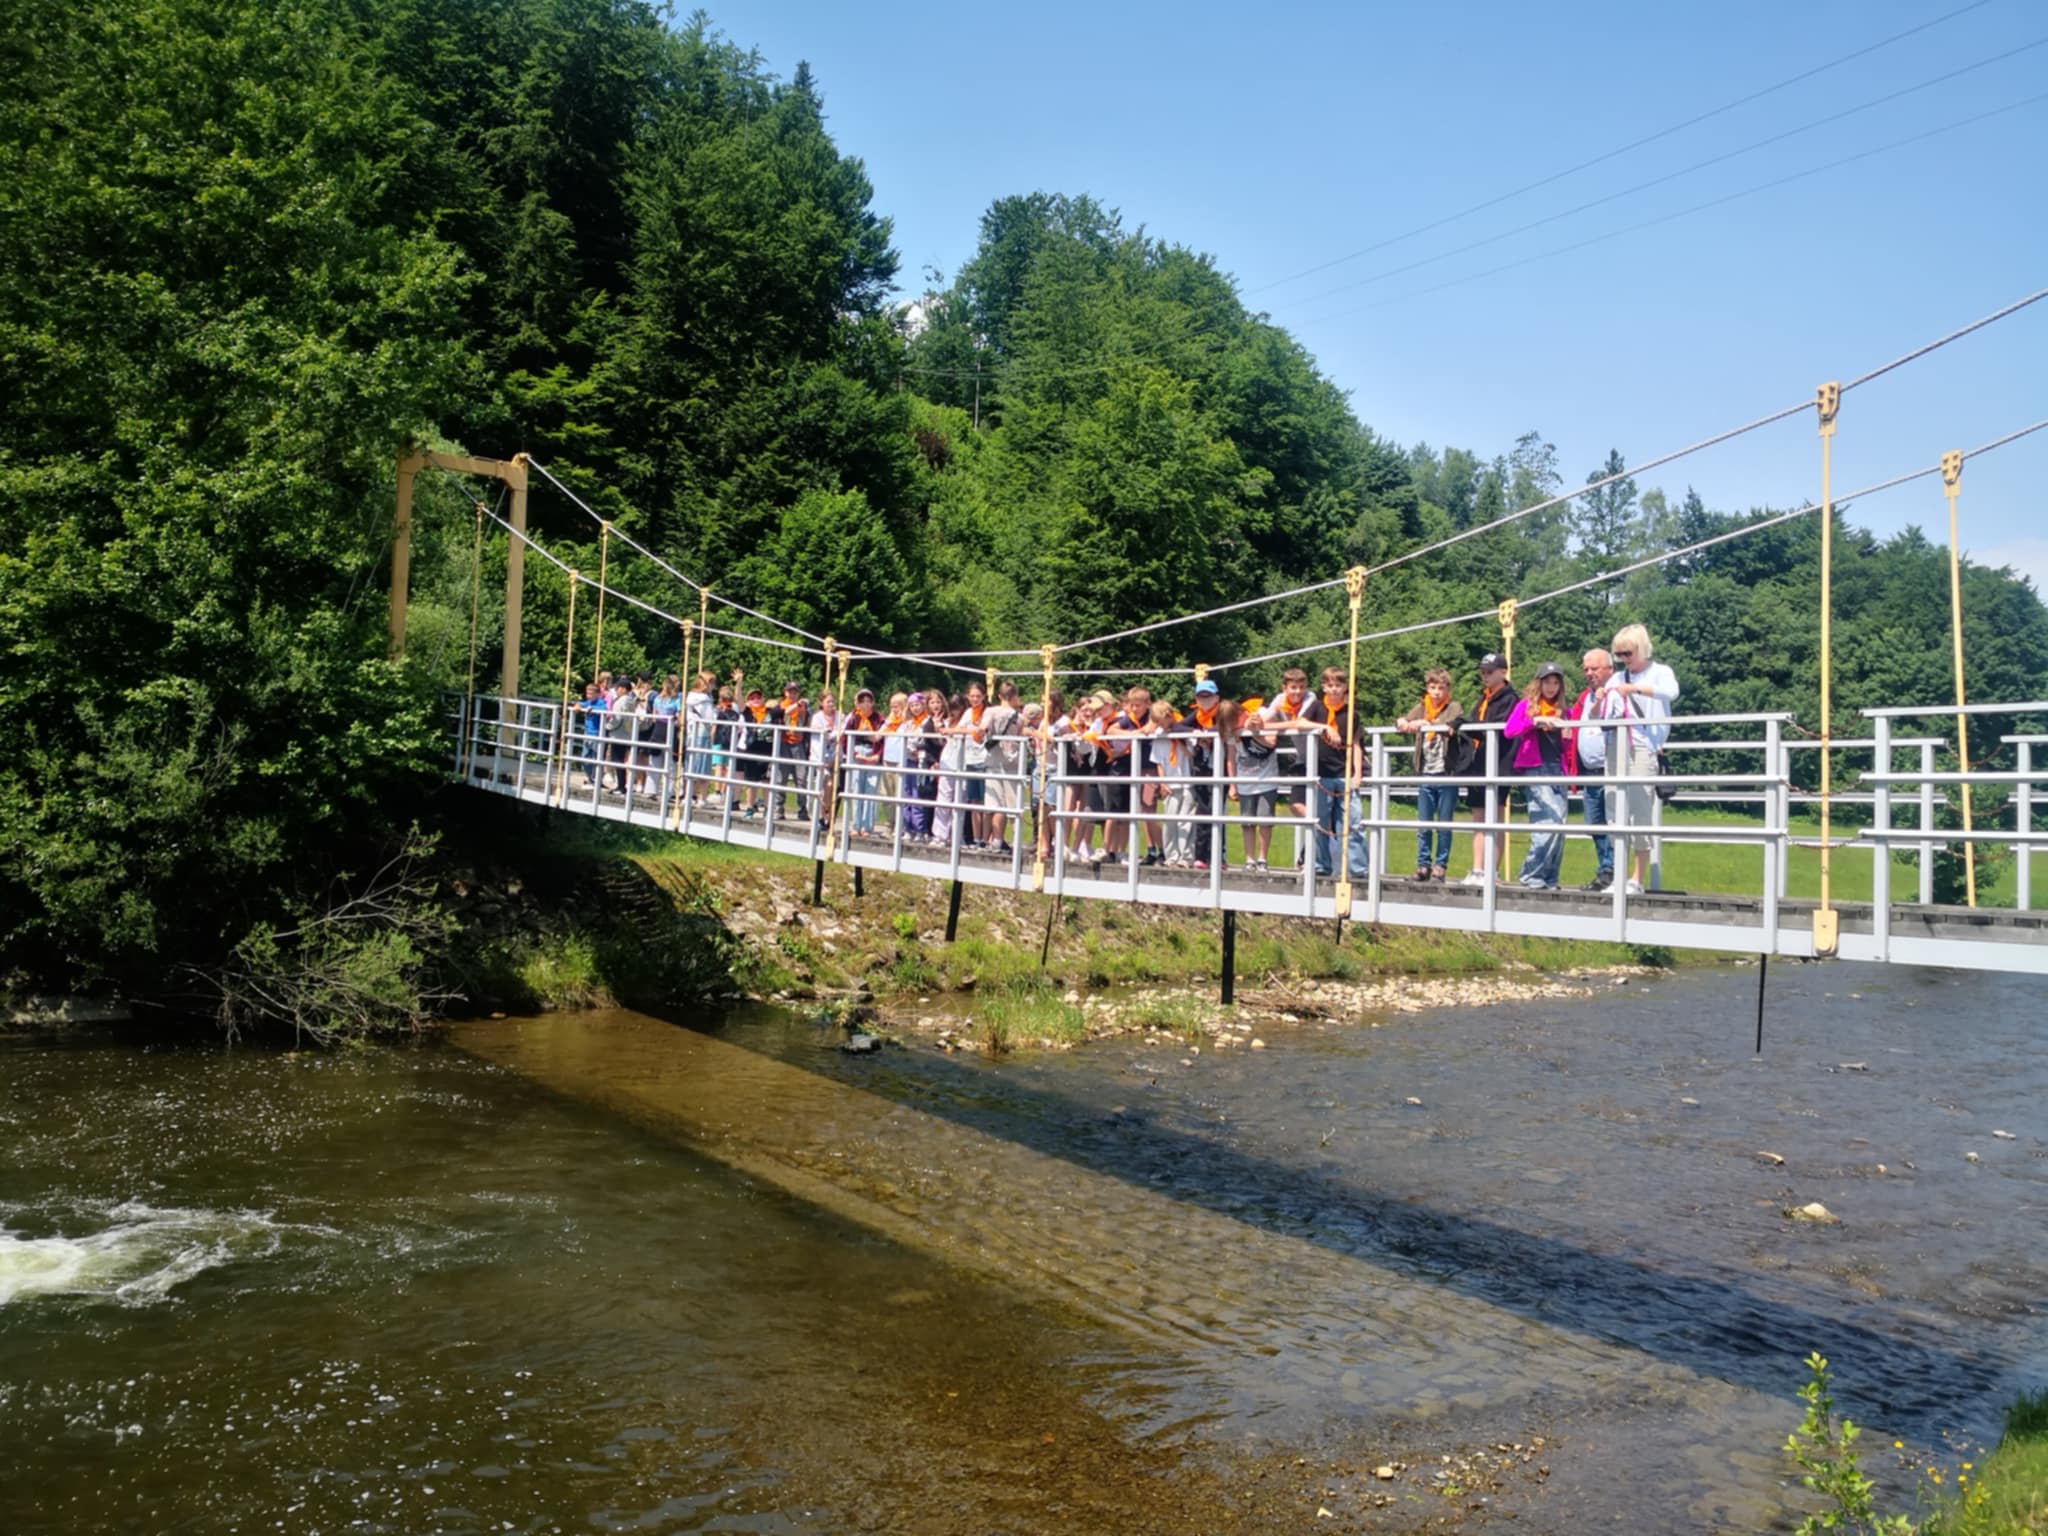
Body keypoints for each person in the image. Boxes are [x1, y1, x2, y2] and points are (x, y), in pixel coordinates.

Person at [1604, 622, 1681, 895]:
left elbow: (1671, 692)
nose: (1624, 659)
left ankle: (1637, 878)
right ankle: (1618, 875)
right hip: (1615, 745)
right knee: (1614, 811)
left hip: (1643, 746)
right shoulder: (1617, 677)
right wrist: (1604, 697)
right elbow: (1604, 710)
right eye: (1619, 654)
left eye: (1628, 653)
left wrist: (1634, 690)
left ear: (1641, 649)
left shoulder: (1660, 672)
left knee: (1640, 812)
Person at [1504, 661, 1576, 889]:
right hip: (1535, 766)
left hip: (1558, 768)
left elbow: (1568, 744)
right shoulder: (1527, 706)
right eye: (1547, 682)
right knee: (1549, 821)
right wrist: (1535, 721)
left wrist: (1566, 733)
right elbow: (1510, 730)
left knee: (1560, 824)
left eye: (1555, 683)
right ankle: (1531, 873)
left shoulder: (1565, 711)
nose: (1551, 687)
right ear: (1539, 684)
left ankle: (1550, 876)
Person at [1395, 668, 1466, 881]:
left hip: (1446, 772)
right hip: (1426, 772)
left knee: (1444, 823)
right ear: (1427, 688)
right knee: (1424, 823)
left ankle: (1440, 865)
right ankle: (1422, 864)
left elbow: (1452, 725)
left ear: (1448, 689)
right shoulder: (1422, 707)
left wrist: (1426, 724)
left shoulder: (1453, 706)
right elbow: (1404, 721)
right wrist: (1403, 722)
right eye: (1432, 687)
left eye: (1441, 688)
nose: (1436, 692)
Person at [1304, 666, 1369, 882]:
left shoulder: (1351, 714)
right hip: (1322, 773)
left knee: (1353, 821)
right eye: (1330, 685)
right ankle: (1321, 865)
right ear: (1324, 687)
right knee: (1321, 821)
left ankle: (1358, 868)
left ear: (1345, 688)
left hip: (1344, 772)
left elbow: (1356, 745)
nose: (1334, 690)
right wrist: (1325, 727)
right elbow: (1301, 722)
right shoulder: (1317, 707)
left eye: (1338, 685)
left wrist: (1357, 774)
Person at [1459, 652, 1516, 886]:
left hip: (1499, 764)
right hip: (1479, 763)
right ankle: (1477, 869)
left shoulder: (1510, 699)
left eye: (1490, 672)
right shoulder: (1483, 698)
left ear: (1503, 672)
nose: (1485, 676)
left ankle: (1492, 870)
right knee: (1478, 816)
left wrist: (1467, 725)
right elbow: (1476, 724)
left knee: (1496, 816)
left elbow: (1498, 729)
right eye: (1482, 672)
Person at [1570, 648, 1620, 891]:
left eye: (1595, 668)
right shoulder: (1584, 697)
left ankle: (1613, 872)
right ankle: (1606, 870)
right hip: (1590, 771)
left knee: (1613, 823)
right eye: (1586, 669)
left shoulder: (1617, 693)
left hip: (1611, 770)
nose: (1589, 673)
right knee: (1594, 824)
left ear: (1610, 669)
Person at [1168, 678, 1225, 871]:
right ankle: (1201, 856)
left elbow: (1225, 725)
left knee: (1218, 813)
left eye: (1208, 696)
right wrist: (1196, 732)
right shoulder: (1198, 714)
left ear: (1216, 697)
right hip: (1202, 769)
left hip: (1220, 769)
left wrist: (1207, 733)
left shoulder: (1222, 711)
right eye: (1201, 697)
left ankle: (1218, 856)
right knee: (1203, 811)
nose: (1205, 700)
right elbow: (1176, 726)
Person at [980, 681, 1024, 856]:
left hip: (993, 760)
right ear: (1015, 696)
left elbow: (983, 728)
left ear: (999, 696)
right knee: (1014, 804)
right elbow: (1020, 734)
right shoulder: (1019, 717)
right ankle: (1017, 840)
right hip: (1012, 762)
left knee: (996, 802)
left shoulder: (990, 712)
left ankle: (997, 840)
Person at [844, 687, 886, 837]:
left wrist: (877, 756)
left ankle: (867, 827)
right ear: (857, 703)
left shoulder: (879, 719)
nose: (866, 704)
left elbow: (883, 740)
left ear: (873, 702)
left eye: (869, 700)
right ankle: (856, 825)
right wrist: (854, 754)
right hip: (857, 753)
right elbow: (845, 739)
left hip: (872, 753)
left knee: (870, 790)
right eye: (862, 701)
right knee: (856, 789)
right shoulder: (852, 718)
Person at [768, 681, 809, 821]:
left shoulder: (804, 708)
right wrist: (796, 706)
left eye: (795, 692)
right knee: (781, 778)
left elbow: (807, 722)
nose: (792, 694)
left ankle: (802, 809)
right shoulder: (780, 706)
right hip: (784, 744)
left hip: (799, 744)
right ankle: (778, 808)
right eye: (790, 691)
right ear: (785, 692)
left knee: (801, 778)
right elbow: (777, 714)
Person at [737, 685, 773, 816]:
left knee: (766, 781)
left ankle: (768, 809)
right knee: (751, 781)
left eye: (758, 697)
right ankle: (750, 807)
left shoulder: (769, 712)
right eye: (752, 698)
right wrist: (739, 683)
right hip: (752, 749)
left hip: (767, 750)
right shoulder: (748, 712)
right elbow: (738, 699)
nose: (756, 699)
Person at [809, 690, 840, 831]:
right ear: (821, 703)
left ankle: (827, 815)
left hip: (834, 755)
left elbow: (842, 731)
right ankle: (822, 815)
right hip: (820, 756)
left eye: (833, 701)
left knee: (832, 786)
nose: (831, 704)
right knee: (824, 785)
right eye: (828, 702)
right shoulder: (817, 718)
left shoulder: (839, 716)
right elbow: (819, 737)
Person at [578, 680, 605, 786]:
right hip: (587, 733)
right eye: (587, 693)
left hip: (596, 733)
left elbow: (604, 708)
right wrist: (578, 705)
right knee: (585, 757)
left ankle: (595, 780)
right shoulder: (588, 702)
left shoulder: (600, 702)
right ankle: (590, 777)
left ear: (597, 694)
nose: (588, 696)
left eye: (591, 694)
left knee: (594, 758)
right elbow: (583, 704)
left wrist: (592, 708)